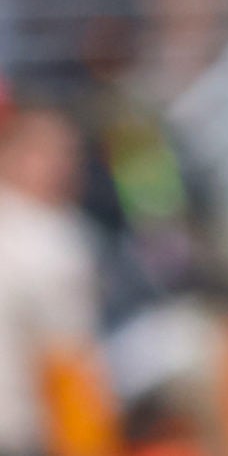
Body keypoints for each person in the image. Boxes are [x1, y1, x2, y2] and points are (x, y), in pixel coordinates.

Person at [0, 106, 115, 456]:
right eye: (43, 152)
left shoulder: (66, 226)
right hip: (27, 425)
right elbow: (69, 356)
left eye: (68, 154)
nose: (59, 165)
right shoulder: (48, 235)